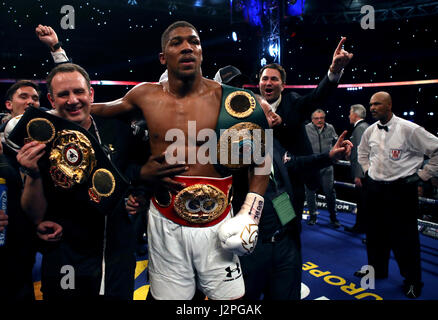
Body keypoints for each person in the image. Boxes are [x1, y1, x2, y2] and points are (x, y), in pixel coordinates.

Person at [91, 21, 270, 300]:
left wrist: (250, 212)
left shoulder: (234, 101)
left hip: (219, 222)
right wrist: (48, 113)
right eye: (177, 43)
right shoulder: (144, 95)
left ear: (201, 53)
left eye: (194, 42)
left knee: (232, 301)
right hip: (165, 222)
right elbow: (95, 111)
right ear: (163, 57)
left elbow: (262, 160)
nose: (187, 47)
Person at [16, 63, 150, 300]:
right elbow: (34, 213)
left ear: (91, 94)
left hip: (115, 252)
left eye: (78, 92)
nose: (72, 100)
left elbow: (139, 172)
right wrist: (34, 173)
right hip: (65, 253)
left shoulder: (119, 131)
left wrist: (138, 197)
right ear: (51, 99)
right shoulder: (40, 139)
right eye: (63, 94)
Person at [240, 94, 352, 299]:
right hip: (252, 246)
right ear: (251, 118)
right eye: (269, 113)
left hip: (285, 236)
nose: (275, 117)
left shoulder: (273, 142)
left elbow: (294, 163)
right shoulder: (232, 151)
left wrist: (329, 156)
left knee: (286, 293)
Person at [258, 38, 353, 243]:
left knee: (287, 228)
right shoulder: (252, 107)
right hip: (259, 182)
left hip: (288, 181)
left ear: (283, 85)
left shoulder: (293, 103)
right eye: (265, 78)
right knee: (261, 231)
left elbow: (317, 97)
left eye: (274, 79)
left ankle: (288, 262)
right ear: (259, 83)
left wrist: (334, 71)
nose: (268, 83)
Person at [357, 91, 438, 299]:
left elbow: (437, 149)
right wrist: (367, 171)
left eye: (377, 104)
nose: (372, 108)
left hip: (401, 191)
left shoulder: (409, 129)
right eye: (371, 104)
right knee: (374, 235)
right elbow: (362, 152)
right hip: (375, 189)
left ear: (389, 105)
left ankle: (412, 281)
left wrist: (423, 175)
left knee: (406, 239)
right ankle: (376, 271)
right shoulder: (369, 131)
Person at [304, 109, 340, 227]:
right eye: (317, 118)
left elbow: (336, 141)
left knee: (329, 192)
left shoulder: (330, 128)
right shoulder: (306, 128)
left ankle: (333, 217)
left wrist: (337, 153)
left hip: (326, 165)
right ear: (312, 119)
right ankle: (313, 216)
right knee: (310, 193)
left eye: (322, 118)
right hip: (311, 165)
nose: (319, 120)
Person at [344, 104, 368, 233]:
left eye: (350, 113)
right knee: (362, 202)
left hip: (362, 174)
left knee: (363, 202)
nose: (348, 116)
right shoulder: (363, 127)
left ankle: (361, 227)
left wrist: (359, 175)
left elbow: (361, 153)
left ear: (355, 114)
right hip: (364, 172)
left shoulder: (360, 128)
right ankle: (361, 226)